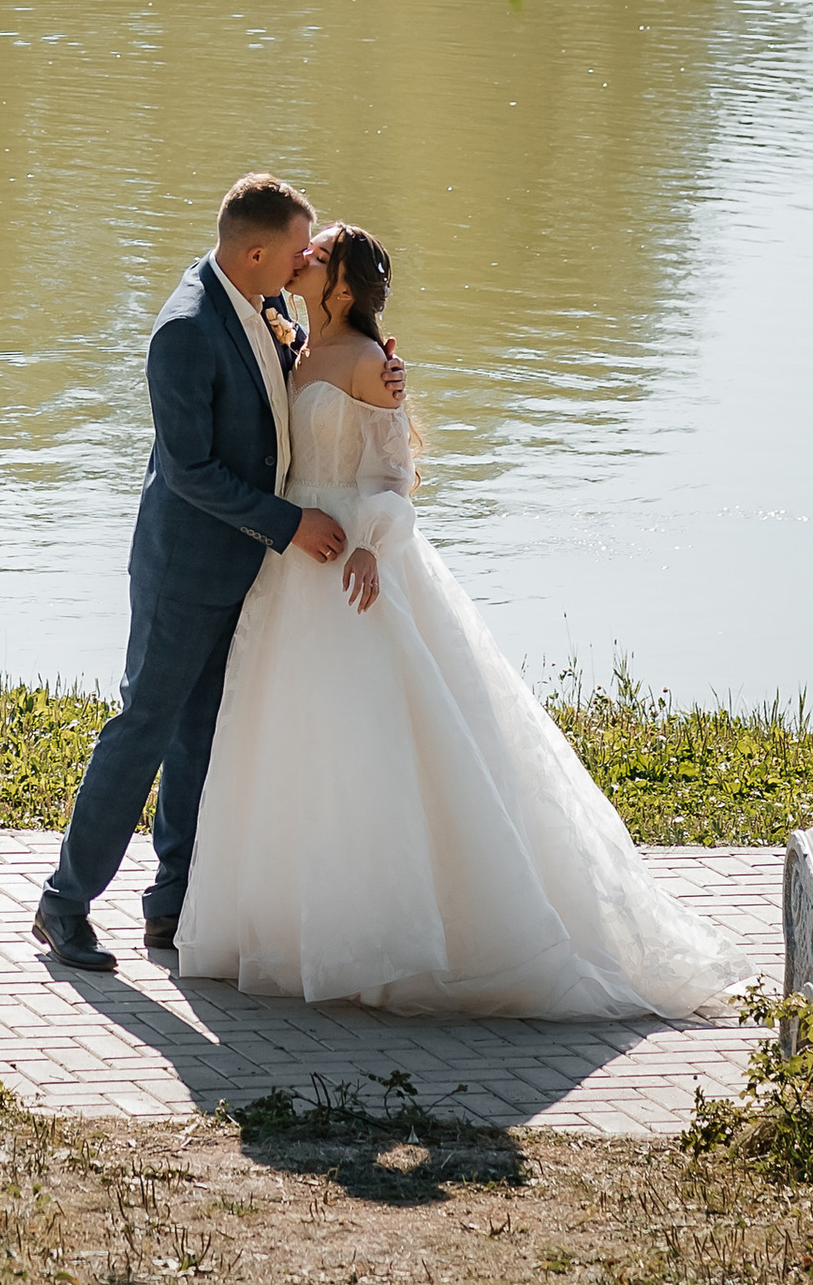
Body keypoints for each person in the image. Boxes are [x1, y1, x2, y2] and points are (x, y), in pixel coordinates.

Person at [174, 224, 749, 1017]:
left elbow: (395, 475)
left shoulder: (373, 367)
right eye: (301, 250)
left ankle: (388, 937)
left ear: (339, 285)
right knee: (291, 737)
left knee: (371, 739)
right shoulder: (292, 341)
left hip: (349, 557)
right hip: (291, 562)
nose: (302, 258)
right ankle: (287, 928)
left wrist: (372, 547)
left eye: (318, 253)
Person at [36, 172, 395, 971]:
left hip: (243, 571)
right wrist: (290, 523)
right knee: (143, 729)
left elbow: (291, 403)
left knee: (201, 736)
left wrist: (368, 369)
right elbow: (191, 471)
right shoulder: (186, 330)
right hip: (184, 568)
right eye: (299, 249)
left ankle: (171, 905)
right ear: (259, 252)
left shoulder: (262, 309)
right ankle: (63, 904)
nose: (307, 261)